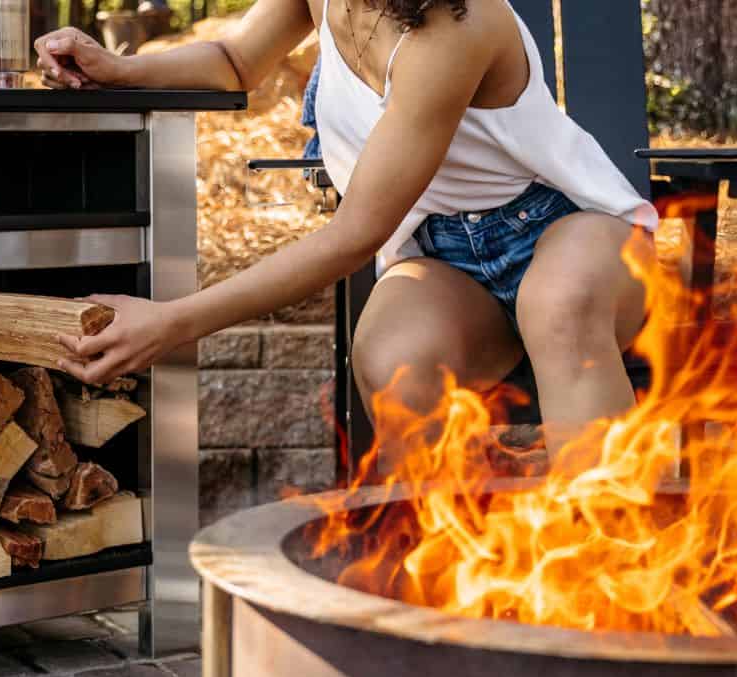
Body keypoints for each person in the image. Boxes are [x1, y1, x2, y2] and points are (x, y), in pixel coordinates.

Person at [35, 0, 660, 461]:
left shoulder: (458, 25)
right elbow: (235, 60)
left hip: (571, 232)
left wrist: (172, 321)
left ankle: (600, 580)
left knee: (560, 308)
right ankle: (437, 594)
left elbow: (356, 232)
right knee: (395, 362)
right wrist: (116, 69)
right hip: (444, 252)